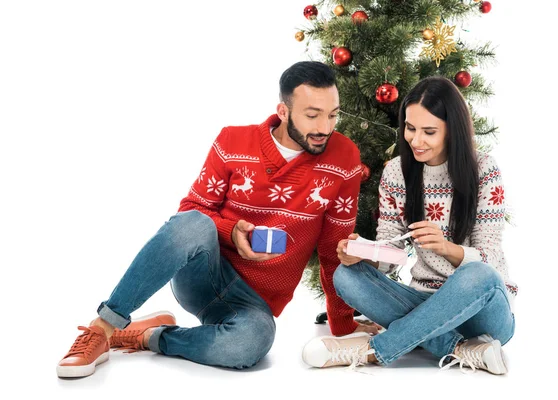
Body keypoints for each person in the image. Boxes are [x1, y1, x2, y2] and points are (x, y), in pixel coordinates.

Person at [56, 61, 376, 378]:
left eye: (333, 114)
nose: (325, 127)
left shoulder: (344, 158)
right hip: (204, 275)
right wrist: (230, 231)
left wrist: (343, 325)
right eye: (312, 115)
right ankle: (103, 329)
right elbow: (189, 215)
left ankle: (148, 336)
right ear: (283, 111)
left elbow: (335, 248)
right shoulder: (233, 142)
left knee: (253, 343)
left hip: (252, 303)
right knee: (194, 223)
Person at [302, 76, 518, 374]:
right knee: (347, 276)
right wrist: (365, 253)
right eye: (410, 128)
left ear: (452, 131)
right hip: (422, 300)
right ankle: (461, 348)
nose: (416, 141)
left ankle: (374, 350)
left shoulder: (484, 169)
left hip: (483, 308)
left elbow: (491, 260)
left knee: (477, 273)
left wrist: (447, 248)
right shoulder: (396, 173)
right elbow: (392, 255)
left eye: (429, 132)